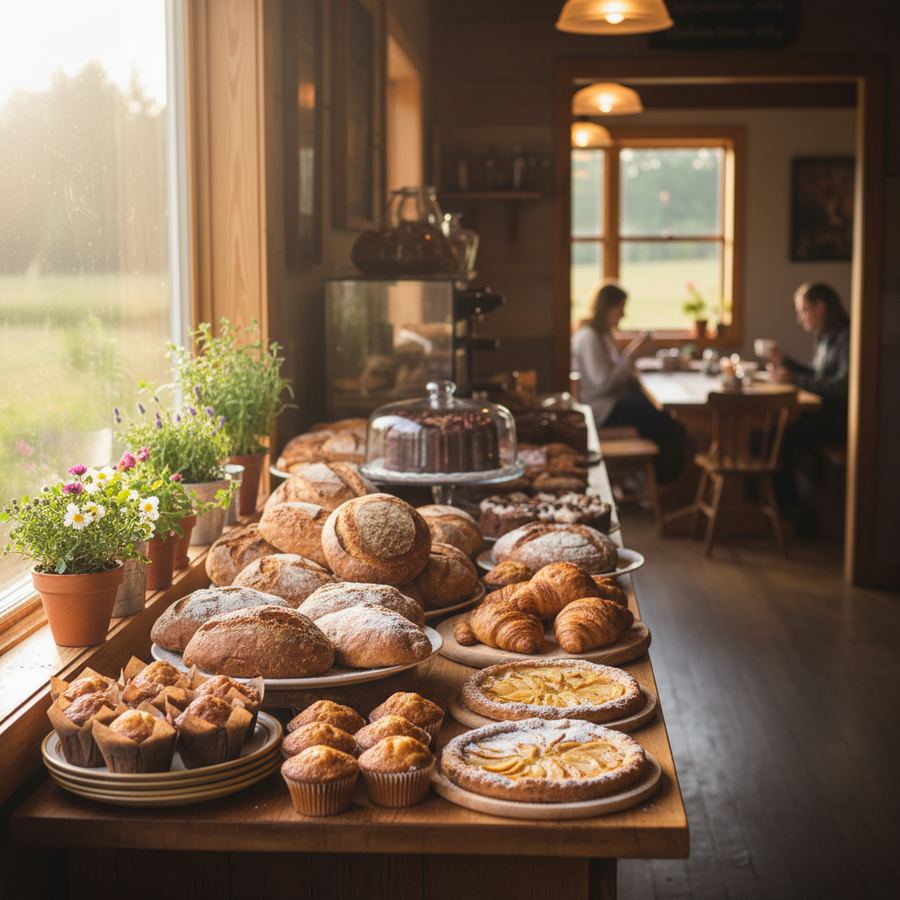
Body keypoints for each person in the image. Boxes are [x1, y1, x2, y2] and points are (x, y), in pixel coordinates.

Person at [571, 281, 685, 483]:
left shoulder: (602, 335)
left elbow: (613, 375)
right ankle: (659, 483)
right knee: (669, 425)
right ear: (607, 308)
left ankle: (649, 480)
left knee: (658, 415)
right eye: (621, 309)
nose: (623, 315)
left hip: (610, 402)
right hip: (601, 409)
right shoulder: (589, 337)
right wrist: (631, 354)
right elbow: (604, 383)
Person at [766, 281, 850, 521]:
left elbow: (841, 387)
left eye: (803, 310)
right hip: (823, 415)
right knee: (773, 432)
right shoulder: (825, 337)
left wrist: (794, 379)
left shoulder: (847, 338)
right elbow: (818, 375)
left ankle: (788, 510)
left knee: (777, 435)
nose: (800, 317)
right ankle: (783, 505)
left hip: (838, 421)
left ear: (820, 307)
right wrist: (786, 362)